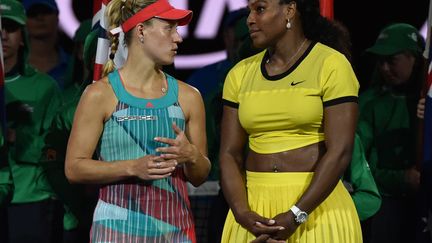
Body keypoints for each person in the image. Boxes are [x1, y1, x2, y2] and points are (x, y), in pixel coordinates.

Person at [64, 0, 211, 242]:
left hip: (176, 232)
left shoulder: (190, 97)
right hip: (115, 233)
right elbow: (74, 168)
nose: (178, 38)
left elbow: (199, 175)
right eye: (169, 28)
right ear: (141, 30)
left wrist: (192, 155)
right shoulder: (99, 94)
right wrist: (132, 167)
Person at [219, 0, 362, 242]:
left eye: (260, 9)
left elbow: (341, 151)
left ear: (289, 10)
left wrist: (296, 215)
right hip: (254, 215)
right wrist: (242, 213)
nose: (250, 20)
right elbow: (229, 154)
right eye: (249, 10)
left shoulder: (332, 65)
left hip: (315, 209)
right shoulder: (239, 74)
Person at [1, 0, 64, 242]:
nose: (3, 35)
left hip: (29, 202)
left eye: (10, 27)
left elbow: (58, 152)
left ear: (22, 35)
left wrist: (19, 138)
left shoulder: (45, 88)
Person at [356, 23, 425, 243]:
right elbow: (359, 165)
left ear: (414, 59)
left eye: (392, 60)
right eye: (381, 61)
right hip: (386, 205)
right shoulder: (368, 104)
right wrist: (401, 179)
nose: (384, 68)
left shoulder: (428, 103)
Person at [22, 0, 70, 89]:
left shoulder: (74, 66)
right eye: (33, 13)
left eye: (46, 11)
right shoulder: (13, 65)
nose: (39, 17)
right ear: (23, 20)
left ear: (57, 17)